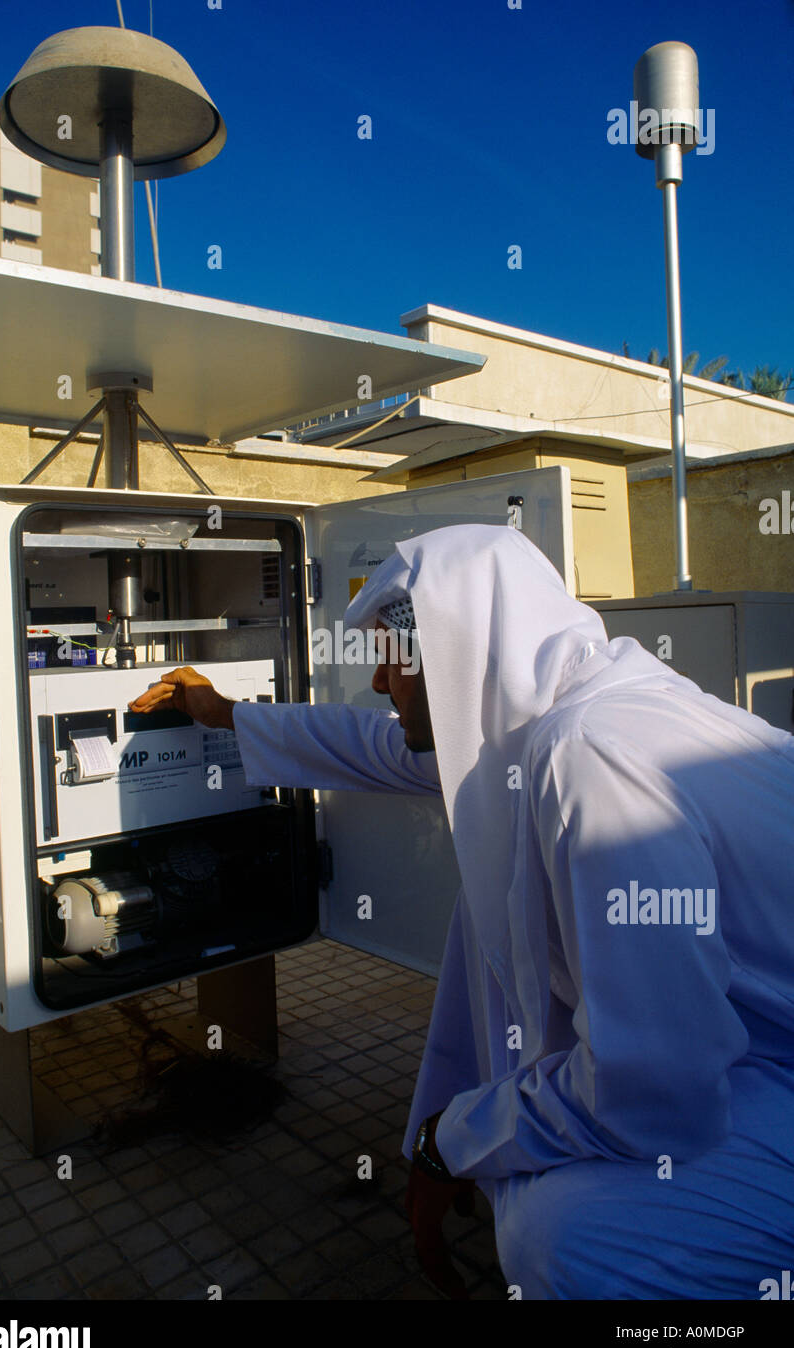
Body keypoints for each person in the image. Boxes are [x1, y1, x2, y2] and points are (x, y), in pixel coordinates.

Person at [129, 522, 794, 1300]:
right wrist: (225, 714)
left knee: (566, 1239)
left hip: (761, 1074)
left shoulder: (591, 755)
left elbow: (654, 1088)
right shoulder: (575, 711)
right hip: (743, 1046)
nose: (379, 683)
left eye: (393, 660)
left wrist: (456, 1140)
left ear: (455, 652)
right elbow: (381, 746)